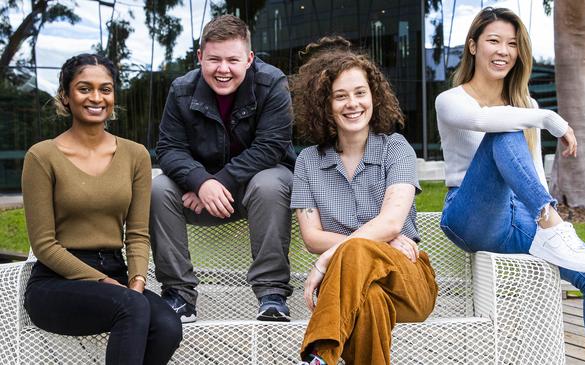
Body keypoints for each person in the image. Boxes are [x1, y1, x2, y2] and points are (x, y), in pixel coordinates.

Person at [435, 7, 585, 364]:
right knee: (503, 131)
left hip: (522, 217)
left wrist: (538, 115)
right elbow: (482, 120)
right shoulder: (451, 100)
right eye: (493, 41)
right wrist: (549, 118)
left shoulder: (526, 107)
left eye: (512, 44)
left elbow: (531, 174)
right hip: (470, 214)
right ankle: (551, 223)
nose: (503, 50)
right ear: (473, 46)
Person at [21, 54, 182, 365]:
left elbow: (136, 234)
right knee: (132, 307)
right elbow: (43, 245)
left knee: (167, 325)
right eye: (84, 88)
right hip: (57, 283)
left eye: (105, 89)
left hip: (117, 275)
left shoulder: (135, 155)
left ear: (113, 95)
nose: (96, 98)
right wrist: (107, 284)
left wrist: (135, 282)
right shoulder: (42, 156)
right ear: (66, 97)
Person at [290, 36, 438, 365]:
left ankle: (318, 354)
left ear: (374, 96)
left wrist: (329, 258)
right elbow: (311, 236)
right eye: (340, 96)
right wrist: (376, 243)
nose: (352, 104)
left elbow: (391, 222)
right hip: (352, 292)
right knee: (370, 300)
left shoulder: (396, 148)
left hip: (408, 281)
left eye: (360, 93)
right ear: (324, 105)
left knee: (358, 252)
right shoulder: (307, 163)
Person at [151, 14, 296, 323]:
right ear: (200, 56)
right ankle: (179, 295)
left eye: (233, 59)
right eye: (214, 59)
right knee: (158, 188)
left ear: (249, 59)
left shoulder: (272, 83)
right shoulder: (181, 90)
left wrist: (216, 183)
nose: (223, 69)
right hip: (199, 191)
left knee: (270, 182)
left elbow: (271, 147)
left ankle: (271, 293)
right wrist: (199, 182)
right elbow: (169, 148)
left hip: (256, 191)